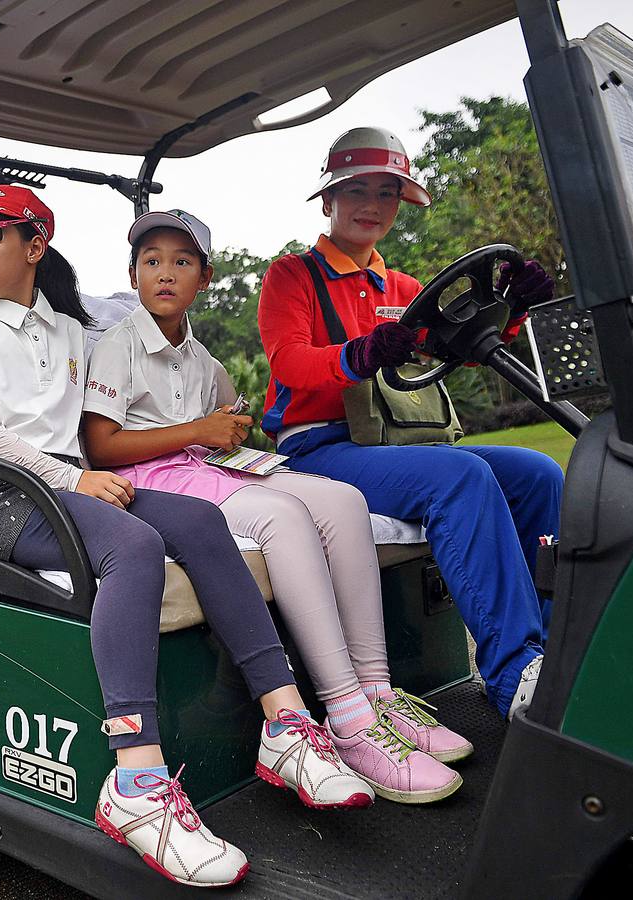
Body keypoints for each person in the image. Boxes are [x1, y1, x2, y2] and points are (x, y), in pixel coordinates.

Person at [0, 186, 373, 888]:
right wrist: (71, 481)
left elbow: (144, 345)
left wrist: (209, 412)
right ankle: (135, 782)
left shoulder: (74, 332)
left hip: (69, 488)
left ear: (35, 246)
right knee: (130, 546)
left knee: (197, 519)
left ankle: (284, 721)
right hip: (1, 502)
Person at [83, 209, 470, 804]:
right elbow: (100, 446)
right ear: (132, 274)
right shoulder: (117, 346)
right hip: (148, 478)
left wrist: (229, 430)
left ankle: (378, 694)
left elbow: (229, 416)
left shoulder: (199, 356)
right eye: (151, 261)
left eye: (182, 262)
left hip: (200, 466)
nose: (165, 274)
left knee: (343, 501)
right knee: (283, 517)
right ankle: (347, 718)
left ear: (205, 278)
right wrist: (201, 430)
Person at [256, 127, 563, 718]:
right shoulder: (293, 276)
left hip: (391, 442)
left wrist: (513, 308)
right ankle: (514, 673)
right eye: (358, 191)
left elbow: (466, 347)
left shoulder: (403, 289)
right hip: (318, 448)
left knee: (537, 472)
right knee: (459, 477)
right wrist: (360, 353)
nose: (372, 205)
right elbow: (289, 361)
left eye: (387, 194)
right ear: (328, 200)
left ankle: (554, 648)